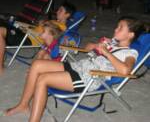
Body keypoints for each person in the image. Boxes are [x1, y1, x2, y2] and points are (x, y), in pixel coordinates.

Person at [3, 16, 146, 122]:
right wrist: (98, 45)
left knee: (43, 79)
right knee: (37, 64)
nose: (116, 29)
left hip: (89, 77)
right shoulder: (113, 44)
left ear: (131, 34)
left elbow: (126, 71)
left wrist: (107, 53)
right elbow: (86, 48)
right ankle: (23, 105)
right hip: (79, 66)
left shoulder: (130, 53)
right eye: (117, 26)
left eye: (120, 27)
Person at [0, 2, 76, 74]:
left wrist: (43, 25)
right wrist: (39, 24)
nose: (57, 12)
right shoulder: (53, 21)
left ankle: (0, 68)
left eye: (61, 10)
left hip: (30, 38)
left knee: (1, 31)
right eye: (58, 9)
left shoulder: (61, 27)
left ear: (67, 15)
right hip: (26, 32)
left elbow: (51, 37)